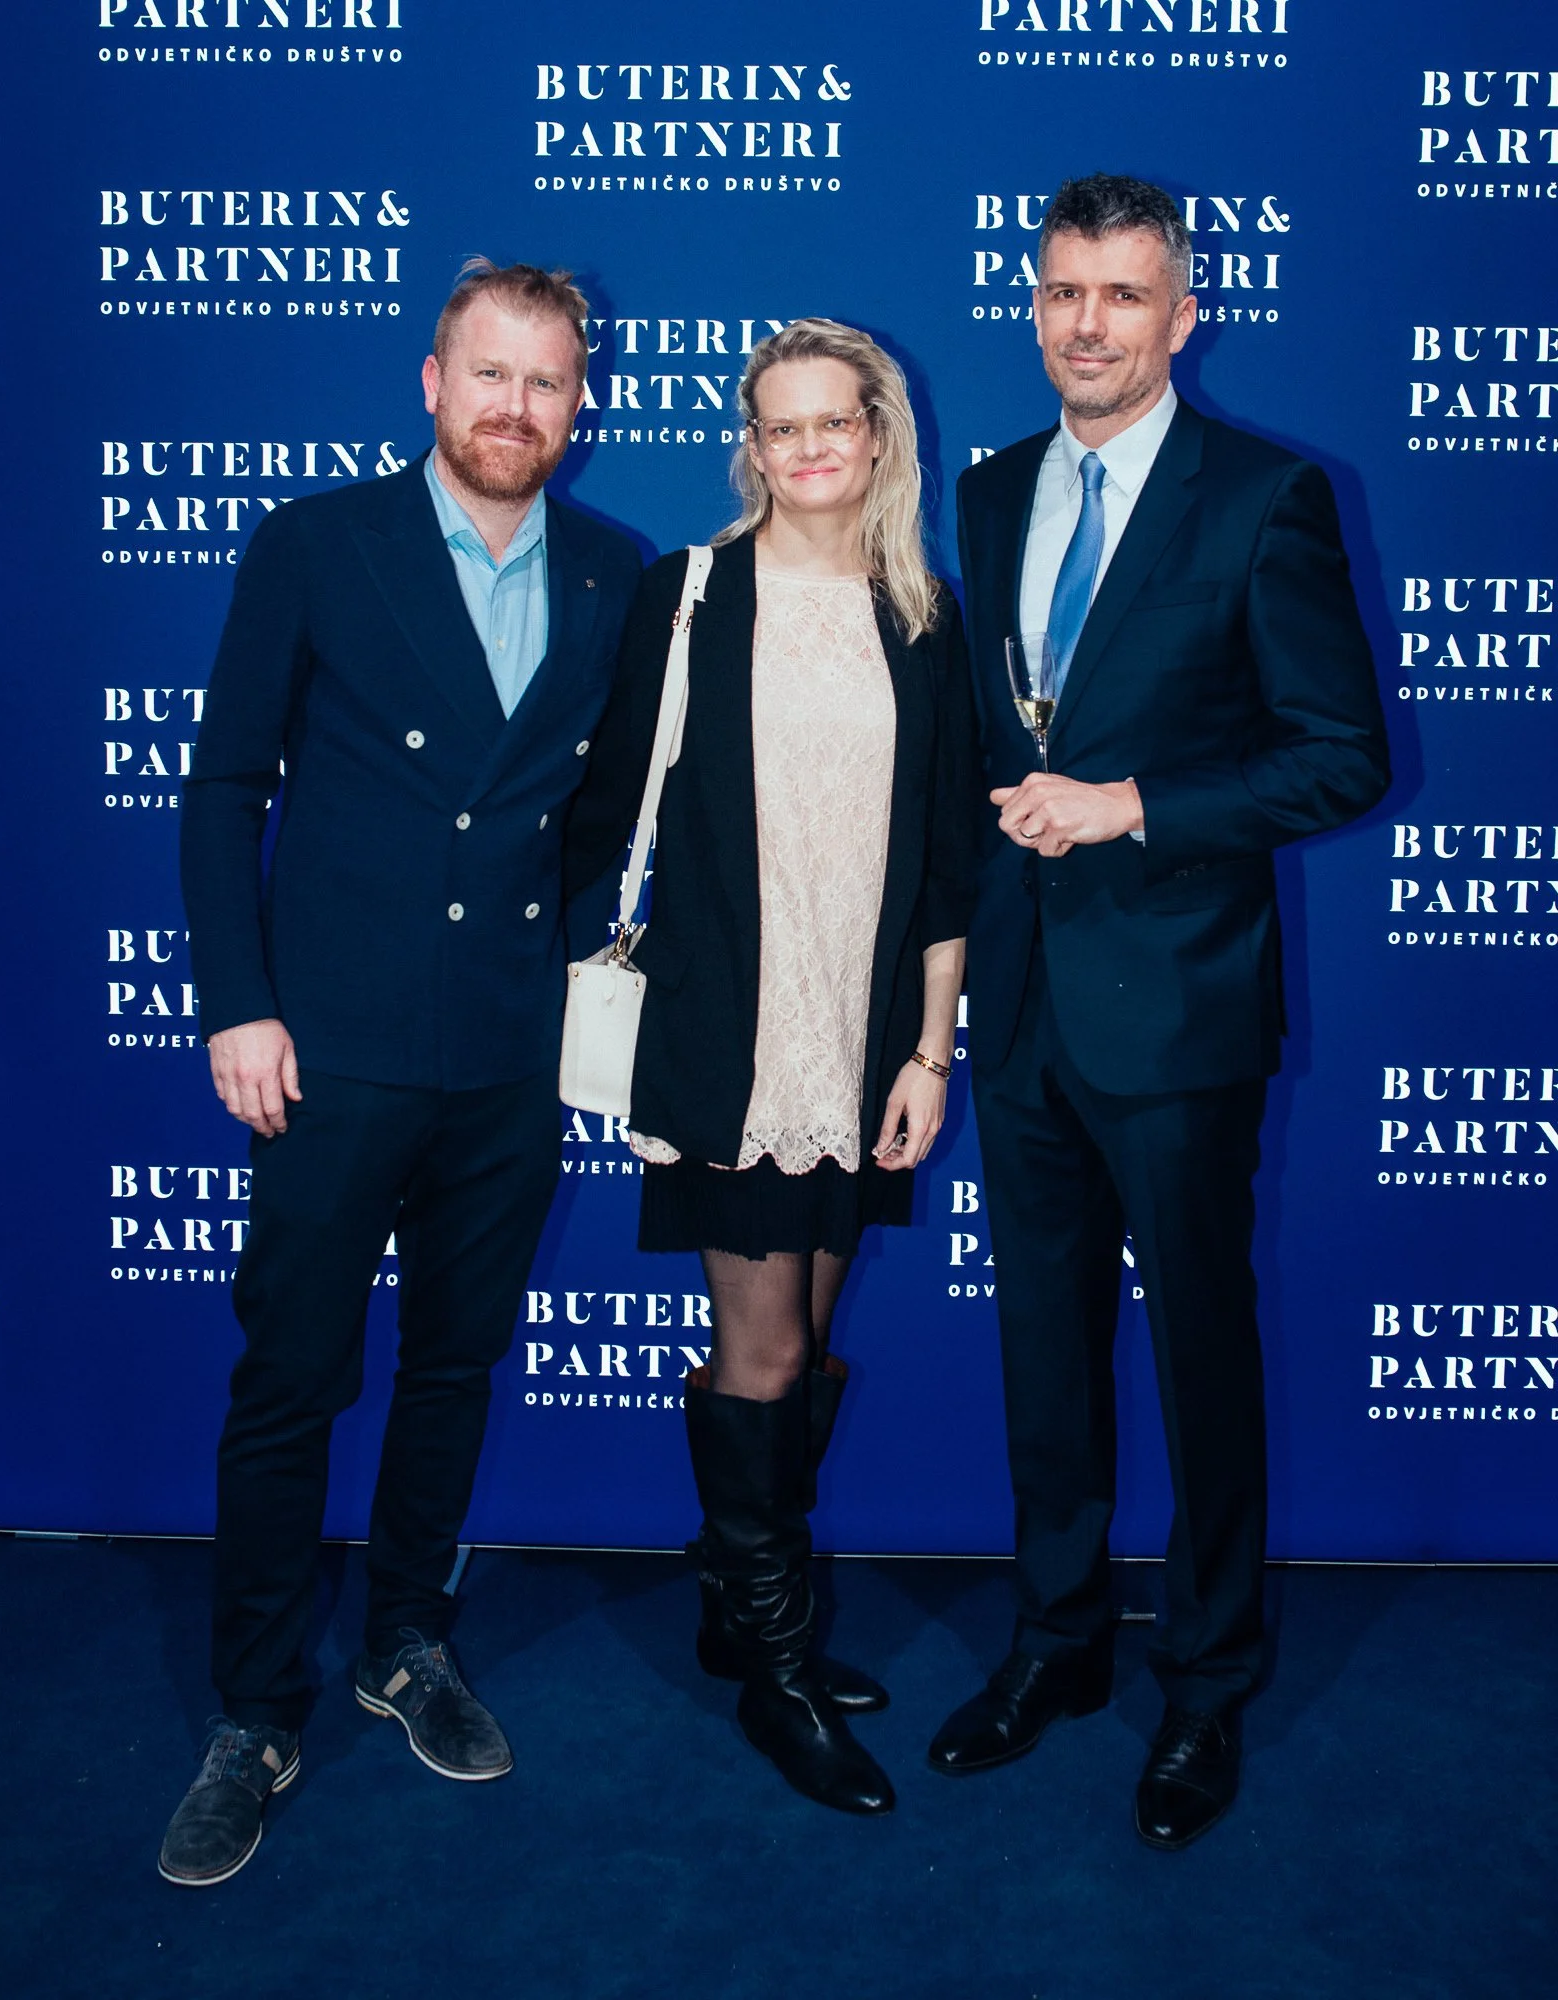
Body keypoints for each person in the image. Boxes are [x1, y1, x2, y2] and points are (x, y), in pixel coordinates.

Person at [159, 261, 641, 1887]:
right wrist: (240, 1001)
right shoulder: (316, 543)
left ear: (584, 405)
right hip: (328, 1048)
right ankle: (254, 1709)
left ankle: (409, 1643)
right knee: (291, 1377)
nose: (517, 408)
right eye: (489, 375)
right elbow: (226, 785)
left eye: (548, 384)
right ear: (429, 381)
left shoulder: (613, 572)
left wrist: (577, 979)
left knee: (451, 1366)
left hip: (505, 1058)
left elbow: (590, 825)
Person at [929, 175, 1388, 1848]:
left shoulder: (1266, 496)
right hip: (1025, 997)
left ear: (1183, 317)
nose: (1088, 325)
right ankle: (1056, 1643)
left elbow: (1342, 753)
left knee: (1199, 1351)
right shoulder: (985, 494)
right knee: (1039, 1340)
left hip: (1180, 1006)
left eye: (1125, 296)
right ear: (1034, 306)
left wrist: (1135, 804)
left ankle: (1206, 1687)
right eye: (1063, 292)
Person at [567, 320, 977, 1816]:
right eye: (777, 427)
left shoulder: (923, 614)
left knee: (808, 1334)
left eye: (832, 424)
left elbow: (946, 866)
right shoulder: (688, 598)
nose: (806, 450)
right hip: (724, 1037)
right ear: (752, 445)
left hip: (857, 1035)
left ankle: (743, 1615)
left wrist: (930, 1050)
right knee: (771, 1352)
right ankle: (784, 1671)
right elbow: (610, 804)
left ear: (879, 435)